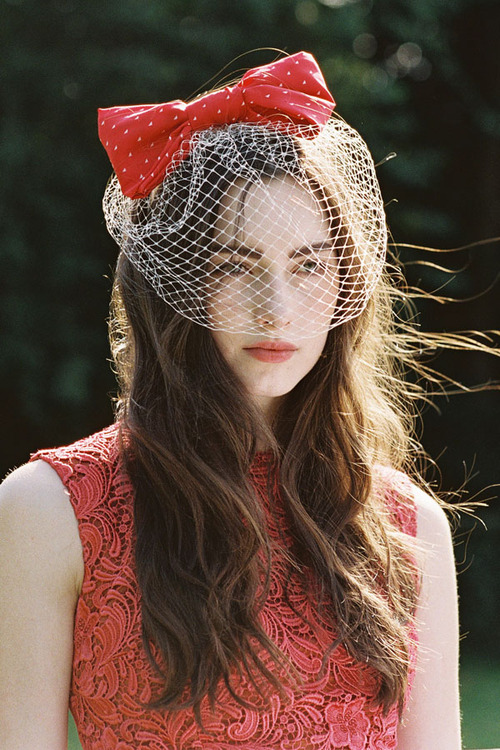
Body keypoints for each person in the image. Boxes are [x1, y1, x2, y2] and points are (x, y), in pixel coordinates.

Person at [0, 52, 461, 749]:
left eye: (308, 265)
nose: (277, 308)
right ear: (172, 289)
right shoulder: (50, 510)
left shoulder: (408, 525)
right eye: (234, 267)